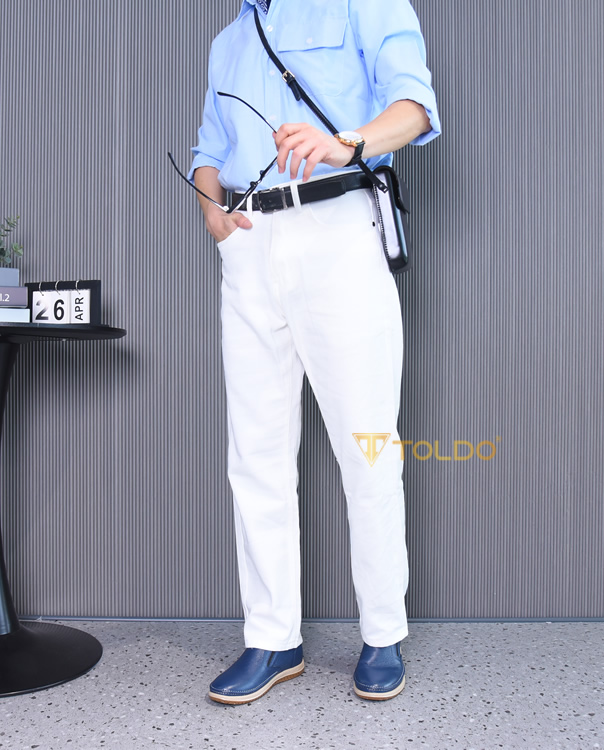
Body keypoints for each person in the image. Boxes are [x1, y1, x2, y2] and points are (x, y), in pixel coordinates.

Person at [188, 0, 440, 705]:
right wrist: (212, 212)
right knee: (256, 452)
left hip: (338, 228)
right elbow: (210, 149)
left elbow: (416, 108)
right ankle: (273, 637)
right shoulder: (229, 40)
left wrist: (345, 141)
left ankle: (382, 632)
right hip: (250, 245)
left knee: (367, 446)